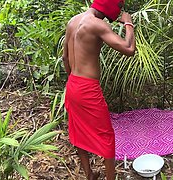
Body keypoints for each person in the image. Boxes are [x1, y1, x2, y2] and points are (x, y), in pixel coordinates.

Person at [62, 0, 136, 179]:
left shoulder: (73, 21)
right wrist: (128, 23)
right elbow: (129, 48)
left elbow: (65, 58)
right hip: (87, 89)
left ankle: (89, 174)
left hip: (72, 84)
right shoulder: (97, 24)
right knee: (106, 135)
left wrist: (75, 80)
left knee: (78, 130)